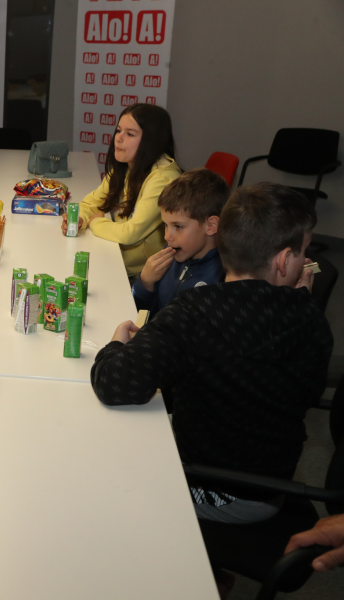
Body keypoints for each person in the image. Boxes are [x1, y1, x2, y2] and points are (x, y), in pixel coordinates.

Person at [90, 183, 332, 525]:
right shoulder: (311, 321)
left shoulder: (194, 312)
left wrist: (116, 345)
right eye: (303, 252)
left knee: (95, 467)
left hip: (211, 487)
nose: (306, 261)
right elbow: (307, 393)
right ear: (282, 261)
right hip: (269, 487)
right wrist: (300, 303)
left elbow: (112, 384)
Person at [61, 103, 181, 279]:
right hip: (117, 260)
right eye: (118, 130)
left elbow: (130, 234)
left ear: (151, 140)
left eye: (130, 134)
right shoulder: (126, 166)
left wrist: (95, 222)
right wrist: (80, 219)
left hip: (142, 276)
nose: (118, 138)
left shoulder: (163, 179)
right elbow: (91, 203)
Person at [132, 169, 229, 315]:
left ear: (211, 226)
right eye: (165, 225)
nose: (167, 236)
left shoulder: (221, 281)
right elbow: (145, 314)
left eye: (178, 226)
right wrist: (145, 283)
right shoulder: (170, 258)